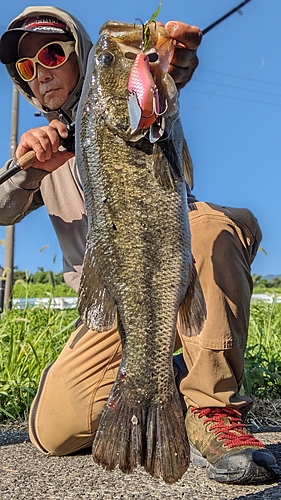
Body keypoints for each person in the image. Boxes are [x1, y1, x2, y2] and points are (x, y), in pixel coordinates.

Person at [0, 6, 279, 485]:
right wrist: (28, 171)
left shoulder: (137, 102)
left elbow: (158, 86)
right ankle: (171, 373)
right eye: (27, 68)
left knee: (210, 230)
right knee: (54, 430)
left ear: (82, 57)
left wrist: (171, 62)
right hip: (118, 308)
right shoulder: (39, 151)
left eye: (52, 53)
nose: (41, 73)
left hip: (176, 267)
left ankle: (214, 409)